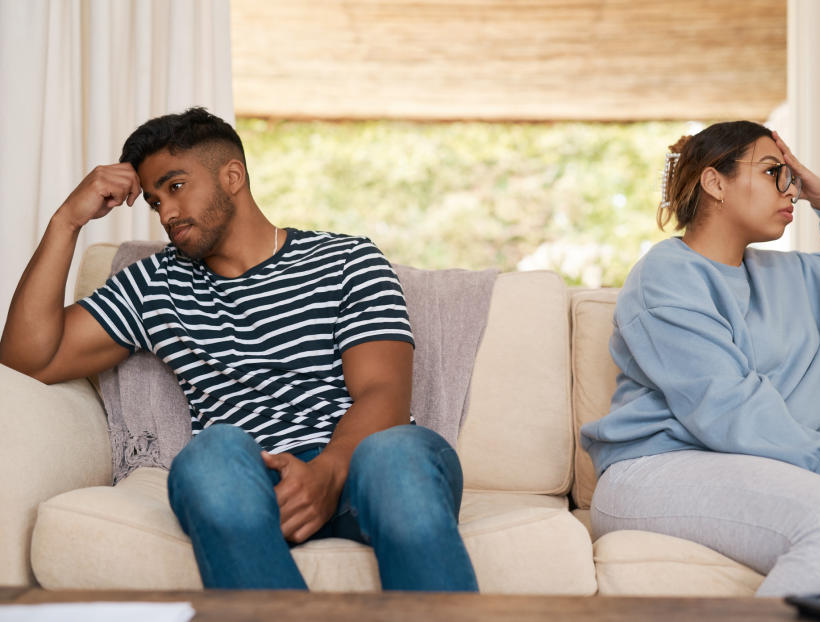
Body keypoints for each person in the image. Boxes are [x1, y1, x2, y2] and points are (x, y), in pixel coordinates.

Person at [0, 107, 478, 591]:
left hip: (365, 467)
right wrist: (66, 221)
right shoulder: (154, 285)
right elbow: (26, 360)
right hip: (250, 483)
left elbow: (384, 393)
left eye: (176, 186)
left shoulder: (347, 259)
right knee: (210, 454)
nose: (165, 213)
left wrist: (326, 472)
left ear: (232, 176)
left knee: (395, 454)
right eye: (153, 200)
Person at [580, 120, 820, 597]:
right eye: (772, 172)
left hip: (782, 461)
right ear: (715, 182)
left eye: (791, 176)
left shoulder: (798, 276)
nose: (790, 190)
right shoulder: (666, 275)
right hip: (661, 469)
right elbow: (728, 407)